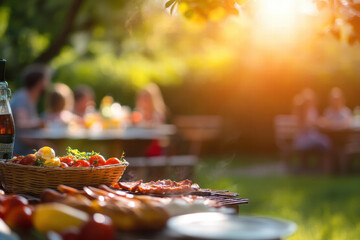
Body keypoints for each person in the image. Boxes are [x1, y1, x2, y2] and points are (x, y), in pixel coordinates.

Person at [10, 64, 51, 155]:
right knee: (50, 150)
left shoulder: (30, 97)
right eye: (46, 79)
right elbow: (22, 124)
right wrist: (40, 123)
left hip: (25, 145)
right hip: (17, 149)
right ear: (40, 82)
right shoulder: (22, 97)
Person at [292, 89, 331, 171]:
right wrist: (317, 123)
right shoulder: (303, 111)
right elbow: (308, 126)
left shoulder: (310, 110)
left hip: (304, 139)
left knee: (324, 141)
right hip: (304, 140)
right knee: (326, 142)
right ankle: (325, 166)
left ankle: (322, 166)